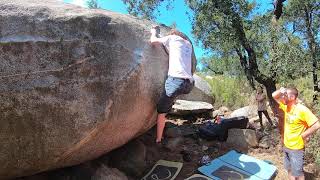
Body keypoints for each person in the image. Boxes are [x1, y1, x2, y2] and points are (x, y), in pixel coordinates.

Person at [150, 26, 195, 143]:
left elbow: (153, 41)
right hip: (189, 84)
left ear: (173, 34)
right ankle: (169, 110)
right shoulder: (188, 44)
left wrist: (153, 32)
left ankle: (159, 139)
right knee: (171, 97)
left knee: (161, 111)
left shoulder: (171, 38)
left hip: (176, 81)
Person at [272, 87, 320, 180]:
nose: (283, 96)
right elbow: (274, 95)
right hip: (286, 145)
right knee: (289, 169)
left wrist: (305, 135)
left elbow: (317, 124)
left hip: (296, 148)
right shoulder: (286, 107)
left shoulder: (302, 110)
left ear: (292, 97)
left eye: (285, 95)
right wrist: (282, 90)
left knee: (298, 174)